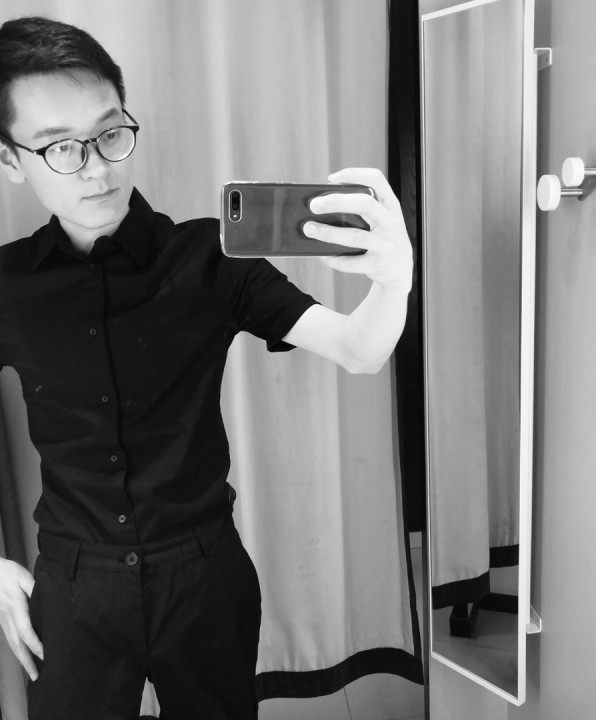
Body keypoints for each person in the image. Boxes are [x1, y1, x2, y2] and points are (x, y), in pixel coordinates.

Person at [0, 15, 412, 720]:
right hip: (73, 581)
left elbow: (359, 349)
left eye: (109, 133)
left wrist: (393, 280)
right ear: (11, 161)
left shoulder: (211, 259)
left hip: (203, 573)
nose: (97, 166)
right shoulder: (8, 284)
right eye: (60, 147)